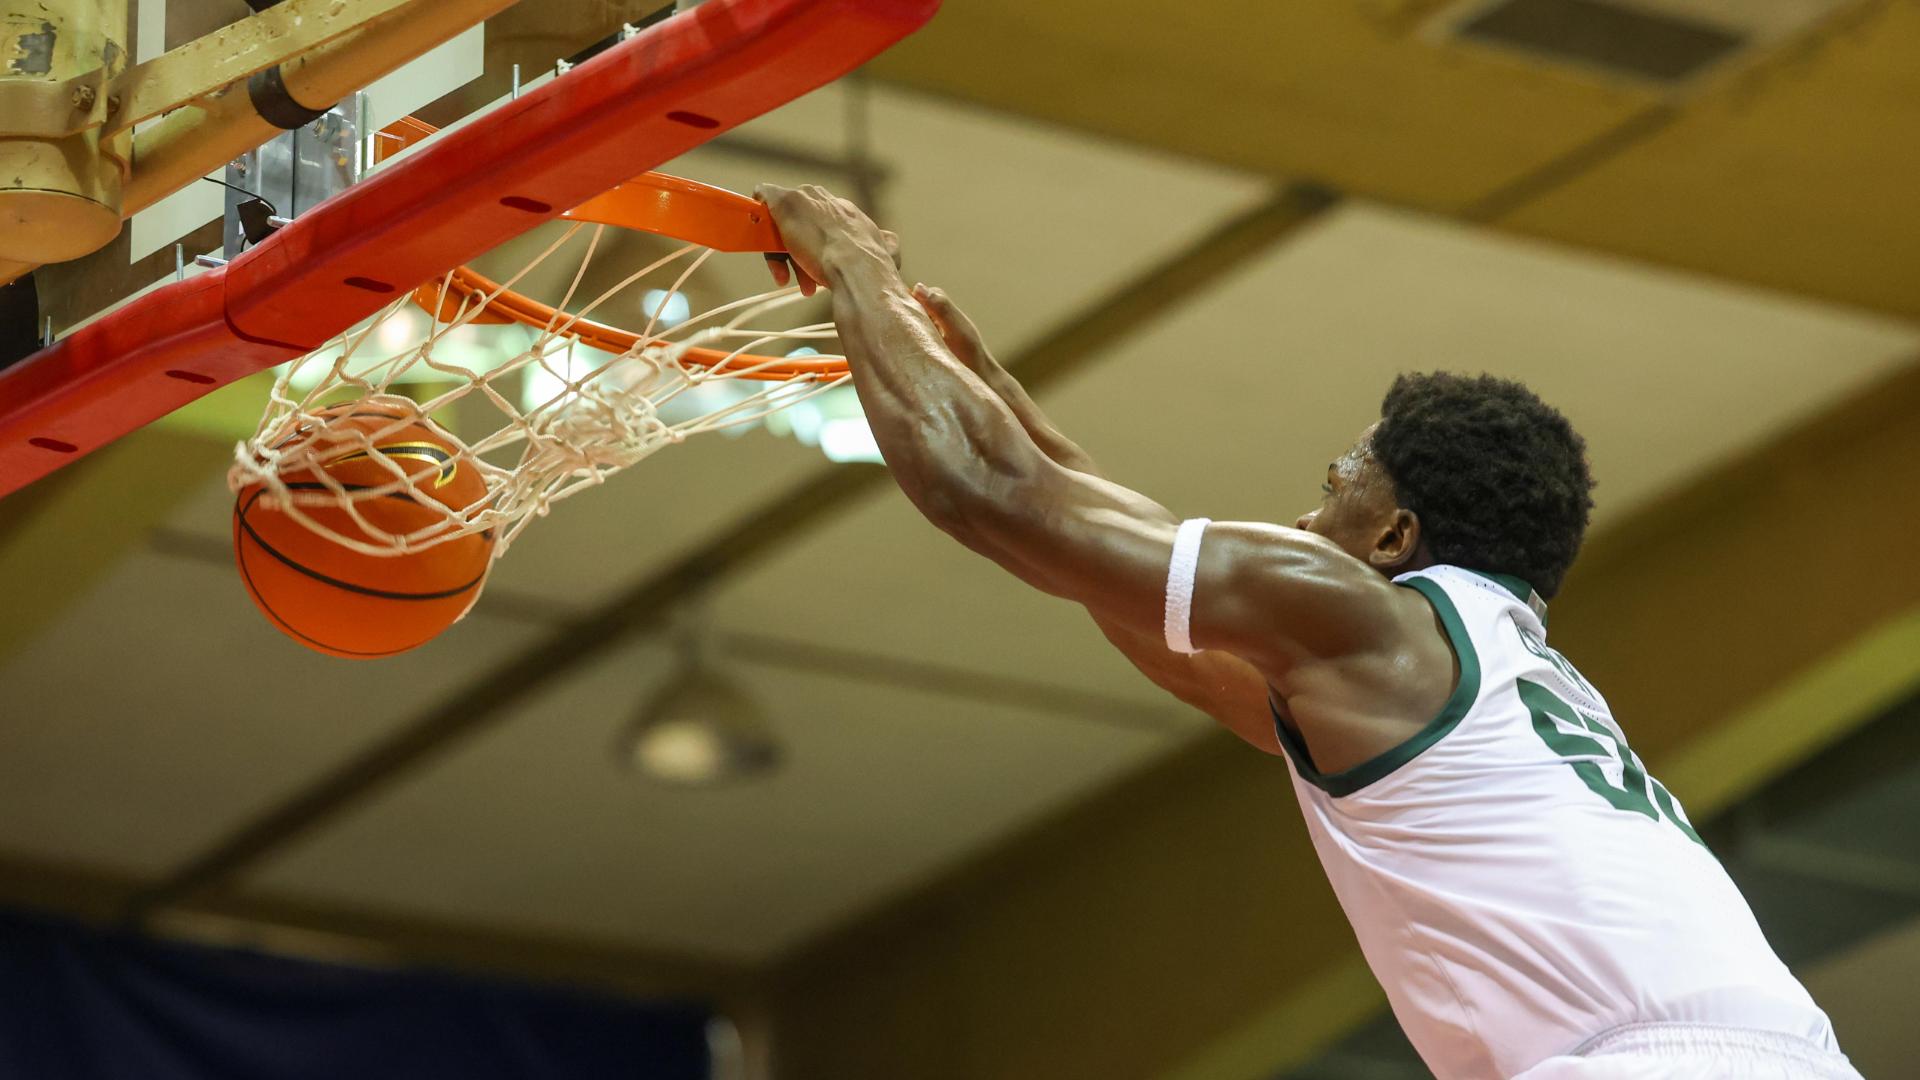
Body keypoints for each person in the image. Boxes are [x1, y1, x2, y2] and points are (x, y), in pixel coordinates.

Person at [752, 183, 1862, 1080]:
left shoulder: (1362, 623)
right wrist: (990, 386)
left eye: (1336, 482)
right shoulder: (1497, 678)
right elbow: (1134, 591)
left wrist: (852, 263)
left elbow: (977, 495)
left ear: (1392, 537)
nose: (1302, 514)